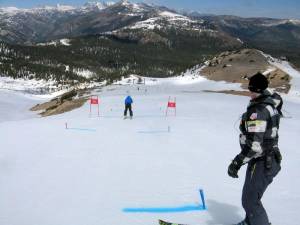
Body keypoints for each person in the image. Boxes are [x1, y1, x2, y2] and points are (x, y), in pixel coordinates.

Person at [228, 72, 283, 225]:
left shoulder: (258, 112)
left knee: (250, 200)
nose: (249, 93)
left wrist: (236, 163)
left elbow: (254, 147)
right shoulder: (272, 100)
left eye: (251, 89)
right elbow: (276, 96)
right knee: (250, 196)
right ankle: (250, 221)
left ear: (256, 90)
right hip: (266, 159)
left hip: (263, 160)